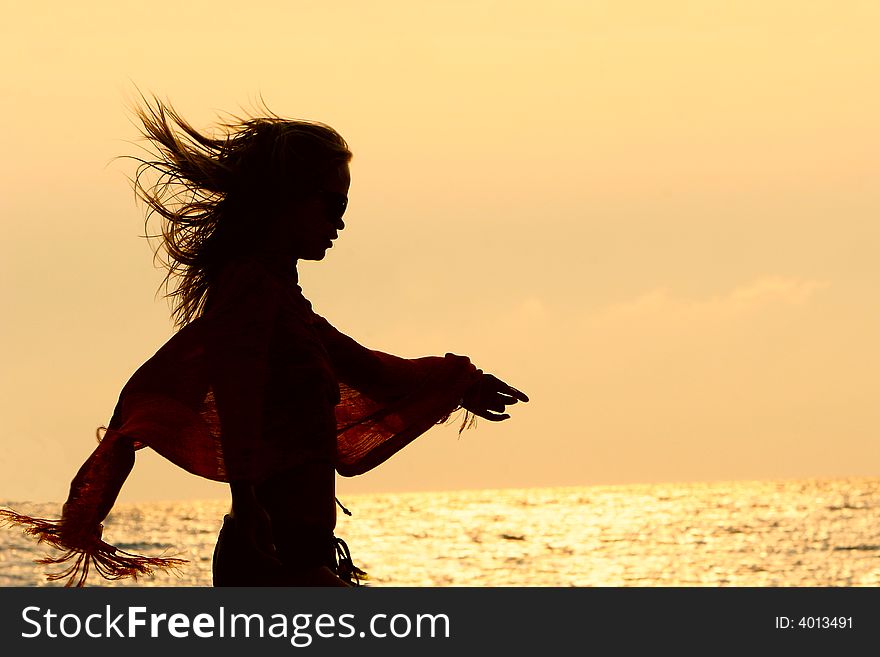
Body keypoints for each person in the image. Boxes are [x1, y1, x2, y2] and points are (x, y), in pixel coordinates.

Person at [0, 97, 528, 587]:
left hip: (300, 551)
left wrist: (465, 383)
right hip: (271, 554)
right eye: (329, 203)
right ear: (284, 198)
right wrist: (246, 501)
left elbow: (371, 372)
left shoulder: (283, 303)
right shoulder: (250, 289)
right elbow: (238, 392)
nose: (340, 220)